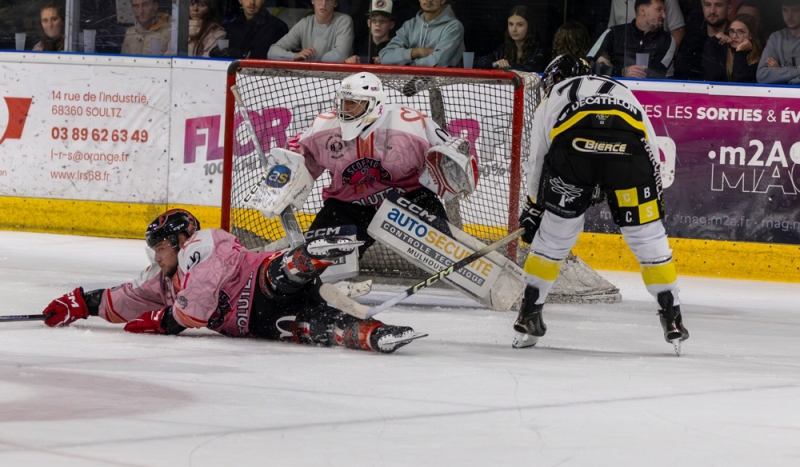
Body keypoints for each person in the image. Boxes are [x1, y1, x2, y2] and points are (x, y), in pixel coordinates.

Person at [40, 209, 420, 353]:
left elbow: (196, 310)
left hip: (258, 284)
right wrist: (79, 303)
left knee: (281, 275)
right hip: (259, 323)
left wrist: (163, 322)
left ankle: (314, 254)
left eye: (159, 246)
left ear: (179, 240)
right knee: (320, 328)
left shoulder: (204, 245)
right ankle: (376, 334)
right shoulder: (165, 279)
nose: (155, 255)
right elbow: (124, 298)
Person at [514, 55, 689, 354]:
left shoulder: (552, 97)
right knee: (647, 237)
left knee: (554, 237)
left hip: (572, 149)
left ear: (555, 77)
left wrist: (535, 207)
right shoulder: (621, 88)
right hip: (629, 150)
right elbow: (648, 144)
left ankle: (529, 313)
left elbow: (539, 159)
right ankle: (672, 318)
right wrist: (652, 202)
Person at [288, 72, 478, 256]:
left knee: (444, 253)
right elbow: (296, 161)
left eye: (353, 103)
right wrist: (282, 178)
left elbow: (453, 155)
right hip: (348, 204)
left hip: (407, 200)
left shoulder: (410, 124)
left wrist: (454, 171)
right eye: (343, 102)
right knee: (315, 259)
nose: (345, 109)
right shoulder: (324, 127)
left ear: (375, 103)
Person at [595, 0, 676, 79]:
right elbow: (591, 64)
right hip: (615, 90)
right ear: (642, 10)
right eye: (659, 9)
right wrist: (621, 72)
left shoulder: (668, 40)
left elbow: (656, 74)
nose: (664, 15)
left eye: (664, 11)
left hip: (649, 91)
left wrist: (612, 67)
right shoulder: (613, 33)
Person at [379, 0, 465, 67]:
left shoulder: (453, 26)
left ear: (442, 0)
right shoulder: (409, 25)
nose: (428, 0)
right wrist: (417, 52)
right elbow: (385, 56)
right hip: (408, 82)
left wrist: (403, 63)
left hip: (443, 85)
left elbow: (439, 61)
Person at [268, 0, 354, 62]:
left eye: (328, 0)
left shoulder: (343, 21)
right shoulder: (305, 23)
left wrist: (308, 59)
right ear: (312, 1)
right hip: (309, 78)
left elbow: (339, 57)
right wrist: (294, 56)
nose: (323, 3)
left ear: (335, 3)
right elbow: (272, 52)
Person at [473, 5, 548, 72]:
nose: (514, 29)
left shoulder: (540, 50)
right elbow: (477, 62)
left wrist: (506, 67)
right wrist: (494, 64)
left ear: (529, 27)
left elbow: (531, 68)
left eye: (520, 25)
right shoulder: (504, 48)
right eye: (511, 24)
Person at [674, 0, 731, 81]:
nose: (712, 11)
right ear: (702, 7)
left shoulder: (734, 39)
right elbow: (680, 77)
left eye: (718, 5)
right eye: (707, 5)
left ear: (729, 8)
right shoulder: (691, 39)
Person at [211, 0, 288, 59]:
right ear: (240, 0)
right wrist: (217, 52)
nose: (251, 2)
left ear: (263, 0)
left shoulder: (278, 27)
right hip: (234, 74)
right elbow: (225, 50)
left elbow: (276, 57)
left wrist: (244, 54)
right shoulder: (232, 26)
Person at [703, 13, 762, 82]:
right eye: (731, 31)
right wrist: (712, 42)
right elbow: (712, 77)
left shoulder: (760, 61)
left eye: (740, 32)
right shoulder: (724, 52)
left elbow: (740, 80)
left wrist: (740, 52)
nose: (734, 36)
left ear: (751, 35)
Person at [608, 0, 686, 51]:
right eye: (659, 9)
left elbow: (677, 32)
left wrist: (663, 59)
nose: (664, 15)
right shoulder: (617, 1)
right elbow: (612, 32)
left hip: (659, 63)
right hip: (624, 66)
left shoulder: (669, 1)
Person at [757, 0, 800, 84]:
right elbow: (762, 76)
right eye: (785, 10)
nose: (789, 16)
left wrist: (779, 74)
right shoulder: (776, 38)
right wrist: (797, 72)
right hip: (779, 96)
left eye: (795, 10)